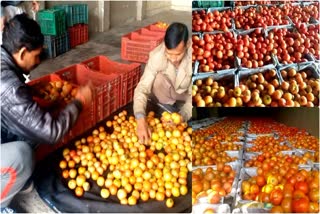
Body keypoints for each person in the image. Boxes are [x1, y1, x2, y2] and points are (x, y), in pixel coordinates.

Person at [0, 14, 92, 211]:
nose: (39, 61)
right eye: (37, 55)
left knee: (33, 126)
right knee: (22, 155)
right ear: (23, 52)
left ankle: (13, 178)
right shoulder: (7, 85)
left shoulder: (4, 62)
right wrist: (79, 102)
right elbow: (50, 133)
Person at [133, 22, 192, 144]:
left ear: (187, 45)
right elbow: (143, 87)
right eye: (168, 53)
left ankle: (181, 111)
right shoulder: (157, 56)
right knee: (157, 79)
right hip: (169, 90)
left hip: (188, 94)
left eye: (177, 55)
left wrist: (183, 115)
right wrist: (140, 118)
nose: (173, 59)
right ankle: (168, 107)